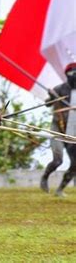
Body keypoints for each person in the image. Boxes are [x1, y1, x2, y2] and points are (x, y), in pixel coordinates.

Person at [40, 63, 76, 197]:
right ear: (67, 75)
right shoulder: (60, 89)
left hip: (73, 131)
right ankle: (45, 177)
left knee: (75, 164)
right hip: (58, 129)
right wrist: (52, 96)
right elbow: (47, 103)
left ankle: (60, 189)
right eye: (72, 73)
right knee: (57, 160)